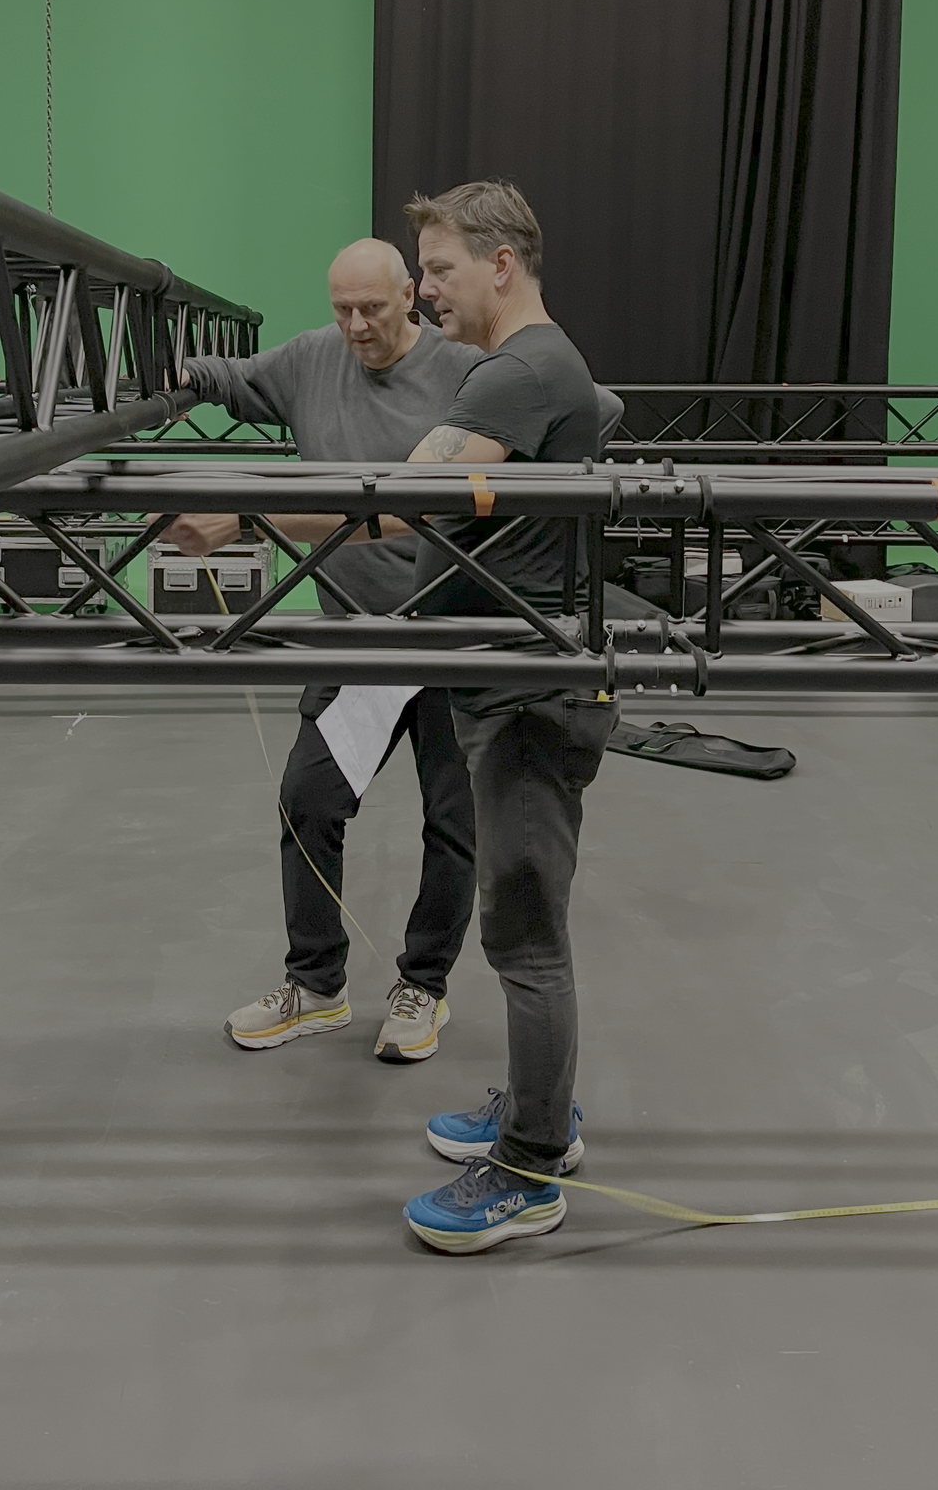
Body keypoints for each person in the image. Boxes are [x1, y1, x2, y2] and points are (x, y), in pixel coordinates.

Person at [168, 238, 482, 1063]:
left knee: (454, 821)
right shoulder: (312, 358)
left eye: (371, 308)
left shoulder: (465, 371)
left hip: (458, 630)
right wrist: (176, 375)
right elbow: (233, 379)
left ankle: (424, 985)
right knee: (307, 803)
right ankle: (315, 986)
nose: (355, 326)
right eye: (341, 309)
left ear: (408, 296)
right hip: (354, 634)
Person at [393, 180, 618, 1254]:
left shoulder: (522, 370)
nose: (423, 289)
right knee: (521, 922)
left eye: (437, 268)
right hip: (510, 686)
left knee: (525, 934)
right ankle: (539, 1108)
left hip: (529, 698)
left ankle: (530, 1167)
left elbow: (405, 495)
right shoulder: (531, 369)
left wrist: (242, 517)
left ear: (500, 263)